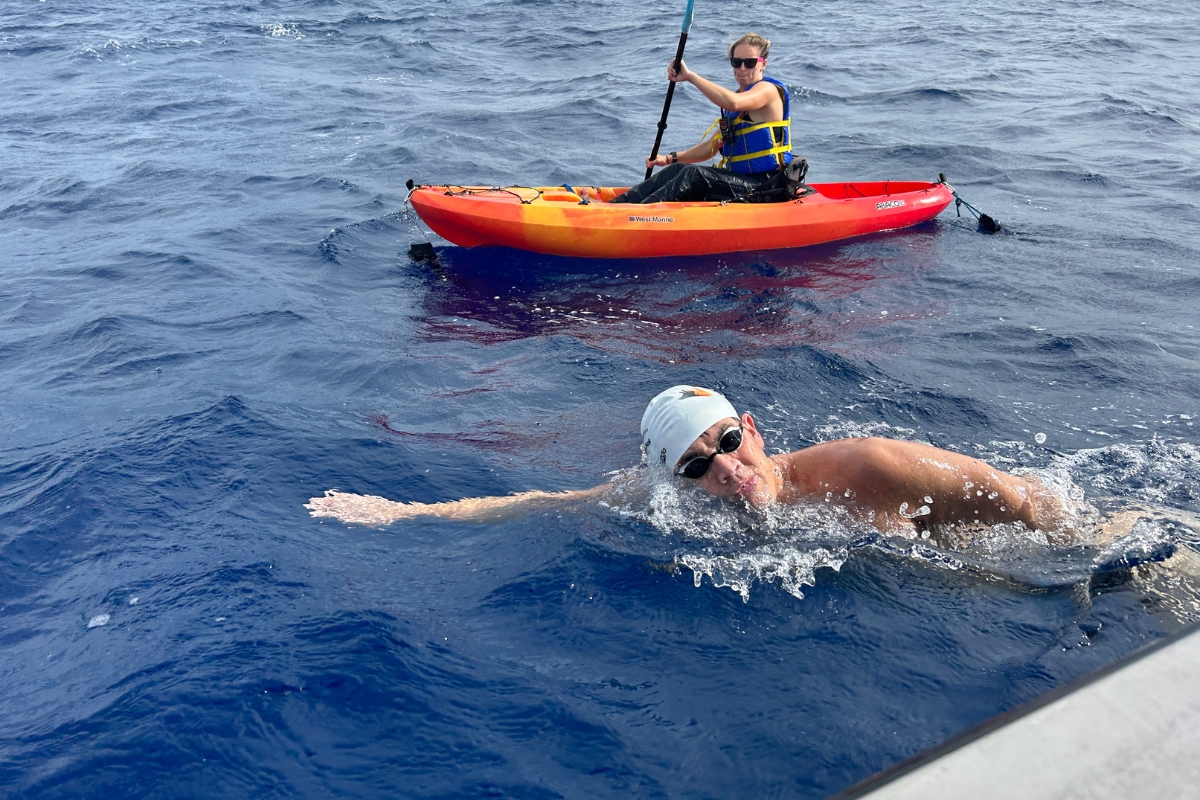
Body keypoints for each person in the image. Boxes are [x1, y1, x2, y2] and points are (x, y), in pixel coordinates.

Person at [306, 385, 1068, 536]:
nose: (727, 471)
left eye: (729, 444)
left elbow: (1022, 499)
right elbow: (547, 501)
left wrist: (1099, 551)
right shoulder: (665, 500)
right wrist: (406, 512)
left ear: (754, 430)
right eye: (697, 467)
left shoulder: (867, 466)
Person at [603, 32, 800, 205]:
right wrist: (669, 158)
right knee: (678, 169)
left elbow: (734, 102)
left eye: (749, 63)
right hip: (741, 180)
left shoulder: (767, 90)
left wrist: (690, 77)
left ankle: (636, 215)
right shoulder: (736, 102)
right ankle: (617, 206)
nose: (742, 68)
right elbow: (711, 147)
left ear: (763, 64)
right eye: (736, 62)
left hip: (765, 185)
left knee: (693, 175)